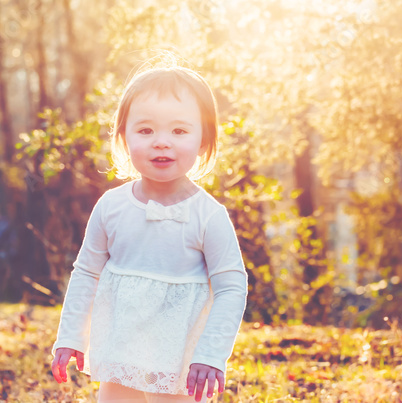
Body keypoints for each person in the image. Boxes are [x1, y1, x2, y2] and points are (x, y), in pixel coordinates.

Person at [50, 64, 248, 402]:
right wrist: (70, 335)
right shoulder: (111, 207)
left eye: (179, 131)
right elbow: (86, 273)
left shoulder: (208, 216)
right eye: (145, 130)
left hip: (181, 364)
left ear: (204, 140)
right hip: (120, 351)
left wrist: (210, 355)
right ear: (123, 137)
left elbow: (232, 287)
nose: (161, 143)